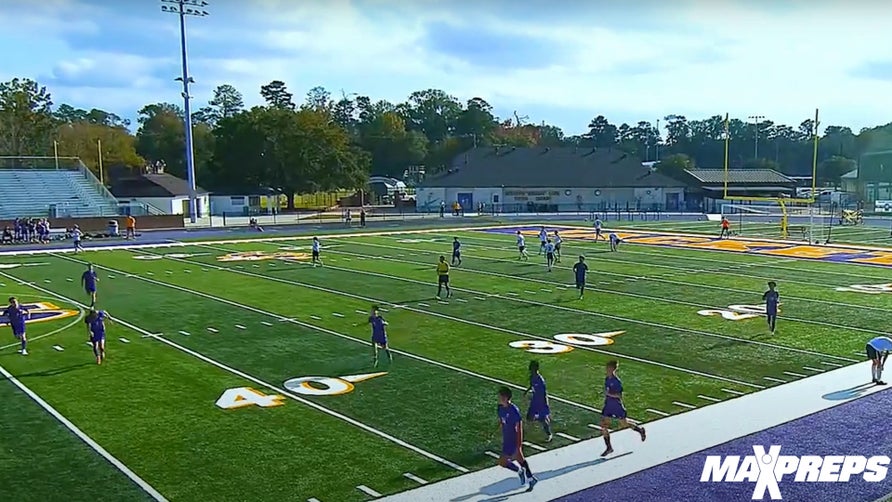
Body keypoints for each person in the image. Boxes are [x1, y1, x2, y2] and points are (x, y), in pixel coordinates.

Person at [600, 360, 646, 457]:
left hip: (616, 406)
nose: (606, 369)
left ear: (612, 369)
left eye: (608, 368)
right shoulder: (607, 379)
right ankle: (609, 447)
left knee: (624, 424)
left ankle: (640, 430)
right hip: (608, 405)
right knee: (604, 426)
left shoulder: (616, 381)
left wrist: (609, 394)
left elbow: (619, 396)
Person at [497, 387, 538, 491]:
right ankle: (526, 475)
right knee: (504, 462)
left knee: (515, 460)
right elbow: (502, 421)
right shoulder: (500, 408)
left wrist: (519, 444)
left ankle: (528, 477)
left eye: (501, 396)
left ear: (506, 397)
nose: (499, 398)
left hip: (513, 439)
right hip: (506, 439)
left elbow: (519, 427)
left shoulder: (513, 410)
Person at [524, 361, 553, 442]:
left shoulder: (540, 380)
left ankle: (549, 434)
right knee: (529, 417)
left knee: (542, 419)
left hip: (540, 401)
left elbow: (543, 393)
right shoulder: (532, 377)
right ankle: (525, 432)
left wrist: (544, 404)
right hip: (534, 400)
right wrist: (527, 391)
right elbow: (532, 385)